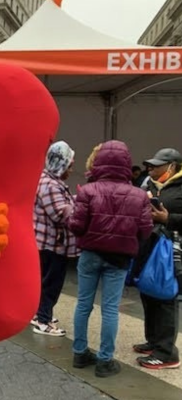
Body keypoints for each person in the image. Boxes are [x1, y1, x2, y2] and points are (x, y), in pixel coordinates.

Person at [69, 141, 152, 378]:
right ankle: (105, 361)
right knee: (110, 310)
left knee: (83, 304)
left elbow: (76, 225)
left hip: (90, 255)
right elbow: (145, 230)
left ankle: (79, 353)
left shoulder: (87, 191)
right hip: (118, 259)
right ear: (127, 163)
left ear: (99, 162)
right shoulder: (139, 195)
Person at [133, 147, 182, 370]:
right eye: (149, 165)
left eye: (156, 165)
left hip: (171, 249)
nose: (150, 169)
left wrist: (168, 218)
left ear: (171, 167)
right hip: (149, 246)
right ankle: (153, 341)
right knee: (149, 292)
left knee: (165, 297)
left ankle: (167, 353)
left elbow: (169, 217)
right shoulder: (151, 185)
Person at [31, 141, 78, 336]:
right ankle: (44, 321)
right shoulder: (50, 184)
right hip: (52, 244)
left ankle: (40, 313)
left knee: (44, 281)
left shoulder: (47, 180)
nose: (71, 169)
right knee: (51, 283)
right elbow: (60, 214)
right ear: (61, 164)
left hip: (47, 242)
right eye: (70, 165)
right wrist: (82, 203)